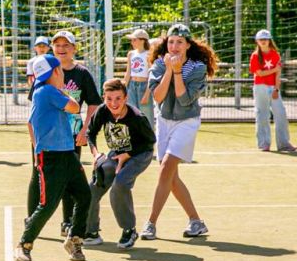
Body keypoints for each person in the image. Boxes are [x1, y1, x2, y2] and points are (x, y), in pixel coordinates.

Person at [141, 23, 217, 240]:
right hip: (163, 121)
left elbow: (184, 100)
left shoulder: (197, 68)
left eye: (179, 42)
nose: (174, 46)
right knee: (171, 177)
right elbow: (158, 97)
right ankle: (196, 221)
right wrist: (168, 70)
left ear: (188, 45)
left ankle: (150, 223)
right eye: (171, 42)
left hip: (187, 121)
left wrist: (176, 72)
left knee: (166, 168)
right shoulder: (157, 64)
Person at [14, 54, 91, 261]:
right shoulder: (47, 91)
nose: (63, 74)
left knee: (84, 195)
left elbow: (32, 122)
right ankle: (24, 244)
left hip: (67, 152)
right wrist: (66, 92)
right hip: (51, 156)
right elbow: (75, 107)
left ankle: (74, 239)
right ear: (55, 72)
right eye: (60, 71)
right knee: (48, 205)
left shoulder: (44, 91)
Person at [25, 31, 102, 235]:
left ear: (74, 49)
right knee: (38, 177)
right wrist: (34, 141)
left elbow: (94, 102)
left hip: (70, 135)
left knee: (70, 178)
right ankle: (32, 219)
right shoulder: (45, 74)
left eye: (66, 45)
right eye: (57, 45)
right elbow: (34, 111)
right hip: (46, 137)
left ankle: (67, 221)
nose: (61, 49)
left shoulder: (82, 73)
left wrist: (85, 130)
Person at [84, 79, 156, 249]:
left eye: (118, 98)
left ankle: (129, 230)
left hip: (139, 154)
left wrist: (128, 155)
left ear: (125, 98)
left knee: (120, 184)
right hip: (116, 154)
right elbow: (90, 133)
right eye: (109, 99)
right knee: (93, 187)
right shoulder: (102, 111)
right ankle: (91, 231)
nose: (113, 103)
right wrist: (96, 155)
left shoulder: (137, 117)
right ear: (104, 98)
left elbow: (150, 141)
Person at [250, 29, 297, 152]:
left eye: (265, 39)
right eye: (261, 39)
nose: (263, 41)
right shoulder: (255, 56)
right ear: (257, 41)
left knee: (281, 113)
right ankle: (264, 144)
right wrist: (274, 69)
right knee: (262, 115)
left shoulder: (275, 54)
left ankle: (284, 143)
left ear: (269, 40)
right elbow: (259, 73)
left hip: (273, 87)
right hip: (260, 87)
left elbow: (278, 74)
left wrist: (276, 89)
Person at [123, 28, 154, 129]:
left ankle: (149, 141)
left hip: (144, 86)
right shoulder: (131, 54)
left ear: (142, 40)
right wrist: (123, 89)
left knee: (146, 115)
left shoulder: (149, 54)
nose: (132, 42)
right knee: (132, 114)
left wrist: (147, 93)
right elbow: (128, 73)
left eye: (134, 39)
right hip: (132, 86)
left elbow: (151, 75)